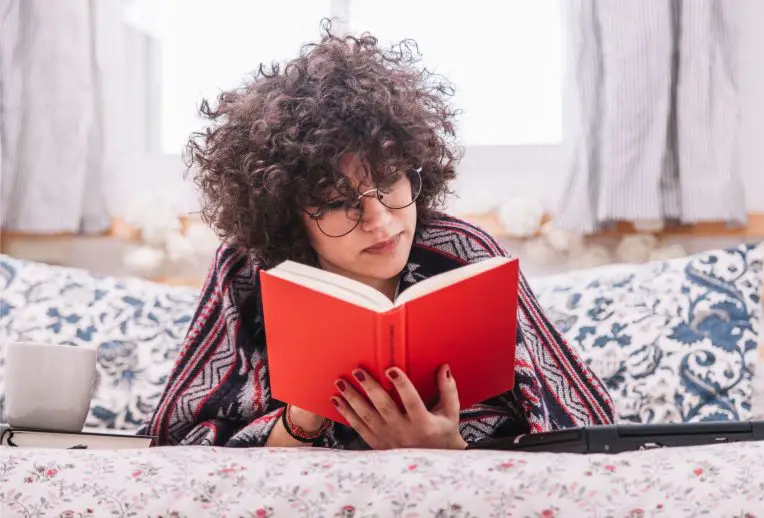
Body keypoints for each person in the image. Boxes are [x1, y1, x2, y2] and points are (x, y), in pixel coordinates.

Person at [140, 24, 614, 450]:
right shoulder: (244, 272)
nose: (380, 221)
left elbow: (584, 429)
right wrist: (299, 424)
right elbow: (174, 448)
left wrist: (447, 451)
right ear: (287, 214)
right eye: (337, 202)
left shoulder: (467, 252)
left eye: (389, 183)